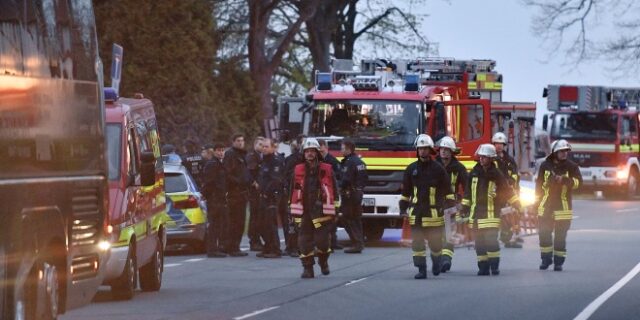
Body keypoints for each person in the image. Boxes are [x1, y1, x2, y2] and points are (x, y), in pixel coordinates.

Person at [399, 134, 455, 279]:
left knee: (435, 245)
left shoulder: (438, 169)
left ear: (430, 150)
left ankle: (436, 262)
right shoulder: (411, 169)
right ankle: (421, 269)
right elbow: (406, 192)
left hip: (434, 214)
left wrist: (449, 208)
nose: (422, 151)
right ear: (417, 150)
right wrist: (402, 208)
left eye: (425, 149)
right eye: (420, 149)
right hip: (416, 214)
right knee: (417, 244)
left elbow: (448, 191)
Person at [461, 144, 521, 276]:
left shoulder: (497, 174)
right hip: (476, 214)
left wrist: (516, 203)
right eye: (481, 157)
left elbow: (507, 191)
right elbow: (468, 192)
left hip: (491, 213)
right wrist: (464, 207)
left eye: (485, 157)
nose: (482, 159)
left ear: (491, 158)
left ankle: (494, 266)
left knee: (491, 241)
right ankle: (483, 267)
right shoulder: (474, 173)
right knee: (480, 243)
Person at [289, 138, 339, 278]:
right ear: (303, 153)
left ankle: (323, 262)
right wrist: (291, 210)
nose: (310, 154)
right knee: (304, 242)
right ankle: (307, 268)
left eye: (312, 151)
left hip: (321, 211)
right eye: (307, 151)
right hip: (303, 211)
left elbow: (334, 190)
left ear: (317, 153)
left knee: (323, 243)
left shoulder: (327, 169)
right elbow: (292, 190)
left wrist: (336, 210)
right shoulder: (297, 170)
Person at [536, 139, 581, 271]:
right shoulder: (545, 166)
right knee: (544, 234)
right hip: (546, 206)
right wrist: (536, 204)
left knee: (560, 237)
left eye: (566, 151)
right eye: (561, 151)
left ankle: (558, 262)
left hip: (563, 207)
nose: (564, 154)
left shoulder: (572, 167)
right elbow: (539, 186)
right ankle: (546, 259)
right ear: (554, 152)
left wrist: (565, 180)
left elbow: (579, 183)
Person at [435, 136, 468, 273]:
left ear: (452, 152)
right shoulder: (433, 166)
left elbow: (467, 187)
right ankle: (437, 259)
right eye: (442, 149)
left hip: (451, 206)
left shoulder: (459, 168)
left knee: (449, 233)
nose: (443, 152)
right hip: (434, 205)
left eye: (446, 149)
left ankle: (446, 259)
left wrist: (464, 204)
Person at [492, 132, 523, 249]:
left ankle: (507, 239)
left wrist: (511, 182)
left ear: (504, 145)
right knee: (493, 217)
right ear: (493, 144)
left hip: (506, 193)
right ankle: (489, 240)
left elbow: (515, 174)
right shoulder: (490, 158)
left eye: (501, 144)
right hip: (494, 194)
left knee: (508, 216)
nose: (499, 146)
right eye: (497, 144)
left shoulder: (509, 160)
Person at [256, 138, 285, 258]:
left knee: (270, 223)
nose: (264, 148)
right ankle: (267, 247)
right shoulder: (264, 161)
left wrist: (266, 193)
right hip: (262, 196)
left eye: (266, 146)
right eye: (262, 146)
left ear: (273, 148)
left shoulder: (276, 161)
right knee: (261, 223)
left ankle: (275, 249)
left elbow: (275, 180)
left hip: (271, 197)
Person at [224, 134, 251, 257]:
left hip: (243, 192)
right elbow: (228, 173)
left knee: (240, 221)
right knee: (235, 221)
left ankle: (236, 246)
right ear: (233, 142)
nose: (241, 143)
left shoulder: (243, 154)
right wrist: (238, 182)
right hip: (234, 192)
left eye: (242, 140)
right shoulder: (230, 154)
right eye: (238, 141)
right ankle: (232, 247)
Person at [340, 139, 368, 254]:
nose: (341, 150)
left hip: (350, 194)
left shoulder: (349, 162)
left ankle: (356, 243)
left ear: (348, 149)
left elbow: (346, 179)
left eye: (342, 148)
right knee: (356, 219)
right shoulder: (360, 161)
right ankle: (359, 242)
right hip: (358, 192)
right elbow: (365, 178)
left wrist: (338, 186)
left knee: (349, 219)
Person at [201, 143, 229, 258]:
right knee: (214, 225)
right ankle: (212, 249)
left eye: (222, 150)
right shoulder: (212, 164)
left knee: (219, 224)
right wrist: (208, 196)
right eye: (218, 150)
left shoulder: (220, 164)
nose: (221, 152)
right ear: (214, 151)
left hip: (220, 198)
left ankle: (217, 247)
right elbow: (209, 183)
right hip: (214, 198)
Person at [282, 135, 305, 257]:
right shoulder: (293, 159)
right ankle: (291, 246)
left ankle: (298, 246)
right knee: (292, 222)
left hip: (303, 195)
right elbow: (286, 176)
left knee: (300, 223)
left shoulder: (308, 159)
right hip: (293, 194)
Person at [319, 139, 343, 250]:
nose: (320, 153)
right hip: (320, 194)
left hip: (330, 193)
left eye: (322, 151)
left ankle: (332, 242)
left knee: (331, 219)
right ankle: (327, 242)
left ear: (326, 148)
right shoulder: (317, 161)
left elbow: (338, 177)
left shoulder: (332, 161)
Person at [246, 137, 266, 251]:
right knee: (255, 217)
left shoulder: (261, 156)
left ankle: (257, 239)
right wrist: (254, 183)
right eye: (260, 144)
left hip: (261, 191)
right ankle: (254, 241)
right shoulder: (252, 156)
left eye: (263, 145)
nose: (262, 147)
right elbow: (249, 173)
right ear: (255, 144)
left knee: (259, 217)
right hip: (254, 192)